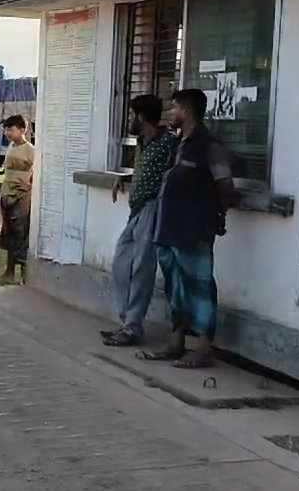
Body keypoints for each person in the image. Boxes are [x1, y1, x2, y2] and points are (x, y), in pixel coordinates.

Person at [139, 89, 238, 369]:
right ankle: (176, 343)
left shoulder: (209, 145)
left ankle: (203, 348)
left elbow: (225, 186)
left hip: (194, 230)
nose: (170, 113)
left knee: (199, 287)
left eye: (173, 108)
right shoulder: (178, 144)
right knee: (175, 287)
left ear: (186, 110)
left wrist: (217, 215)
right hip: (169, 228)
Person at [100, 95, 178, 347]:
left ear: (142, 116)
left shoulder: (168, 142)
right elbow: (145, 169)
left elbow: (175, 173)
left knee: (142, 269)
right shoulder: (142, 142)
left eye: (133, 115)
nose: (130, 120)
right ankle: (127, 322)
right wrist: (125, 177)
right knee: (121, 264)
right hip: (137, 209)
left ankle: (132, 327)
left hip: (154, 207)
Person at [0, 114, 35, 280]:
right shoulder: (11, 146)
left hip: (22, 196)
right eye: (6, 130)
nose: (7, 133)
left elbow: (37, 172)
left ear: (22, 130)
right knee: (8, 232)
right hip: (8, 193)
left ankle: (25, 274)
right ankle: (9, 271)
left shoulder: (31, 150)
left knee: (21, 232)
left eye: (11, 130)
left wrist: (29, 185)